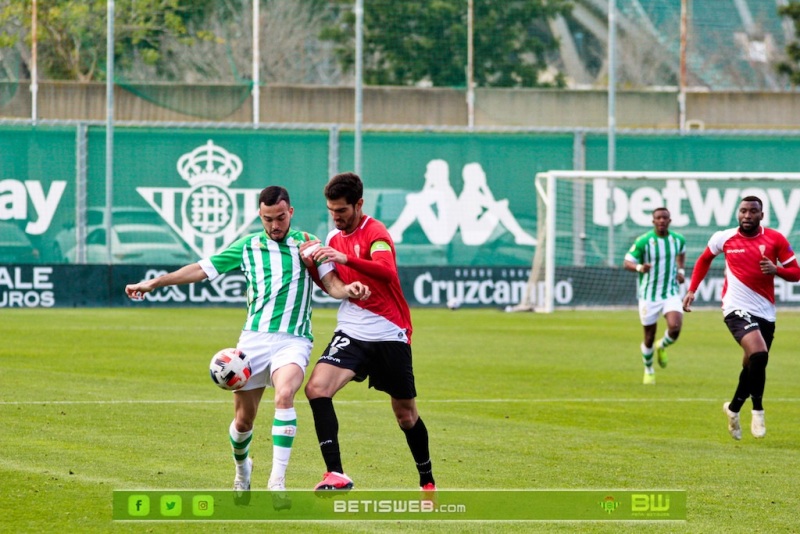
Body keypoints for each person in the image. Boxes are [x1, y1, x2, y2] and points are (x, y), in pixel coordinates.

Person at [125, 186, 370, 495]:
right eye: (268, 219)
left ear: (290, 212)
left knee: (285, 396)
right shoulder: (247, 246)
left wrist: (348, 291)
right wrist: (154, 283)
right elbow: (201, 269)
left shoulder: (309, 246)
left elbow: (332, 284)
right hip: (252, 343)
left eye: (280, 218)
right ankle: (243, 468)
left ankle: (277, 481)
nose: (275, 225)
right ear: (260, 216)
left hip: (293, 340)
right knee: (243, 421)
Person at [301, 172, 437, 492]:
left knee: (405, 415)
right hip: (352, 329)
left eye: (342, 211)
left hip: (389, 331)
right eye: (331, 210)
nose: (335, 217)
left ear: (359, 204)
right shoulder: (333, 239)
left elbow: (387, 272)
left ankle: (427, 481)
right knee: (316, 389)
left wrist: (347, 257)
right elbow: (332, 285)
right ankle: (335, 473)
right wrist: (316, 267)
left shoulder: (376, 233)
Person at [682, 196, 800, 440]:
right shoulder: (723, 238)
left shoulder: (775, 239)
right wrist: (692, 289)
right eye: (744, 211)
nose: (747, 215)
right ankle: (758, 410)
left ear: (761, 215)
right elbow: (704, 259)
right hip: (735, 308)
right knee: (759, 353)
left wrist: (776, 270)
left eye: (753, 211)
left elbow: (796, 273)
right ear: (738, 213)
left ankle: (733, 409)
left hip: (765, 311)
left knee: (752, 364)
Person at [623, 207, 686, 385]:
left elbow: (682, 254)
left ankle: (662, 345)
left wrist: (680, 271)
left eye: (664, 218)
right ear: (653, 221)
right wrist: (639, 267)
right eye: (658, 218)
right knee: (649, 337)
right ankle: (649, 369)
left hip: (670, 292)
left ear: (669, 220)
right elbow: (627, 261)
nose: (661, 221)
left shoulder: (678, 239)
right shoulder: (644, 241)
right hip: (649, 295)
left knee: (675, 327)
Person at [388, 159, 459, 245]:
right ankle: (396, 231)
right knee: (416, 203)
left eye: (428, 172)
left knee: (415, 202)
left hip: (441, 235)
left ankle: (396, 230)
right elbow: (422, 197)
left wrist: (428, 183)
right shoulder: (442, 189)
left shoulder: (442, 190)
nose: (426, 175)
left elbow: (415, 198)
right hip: (441, 234)